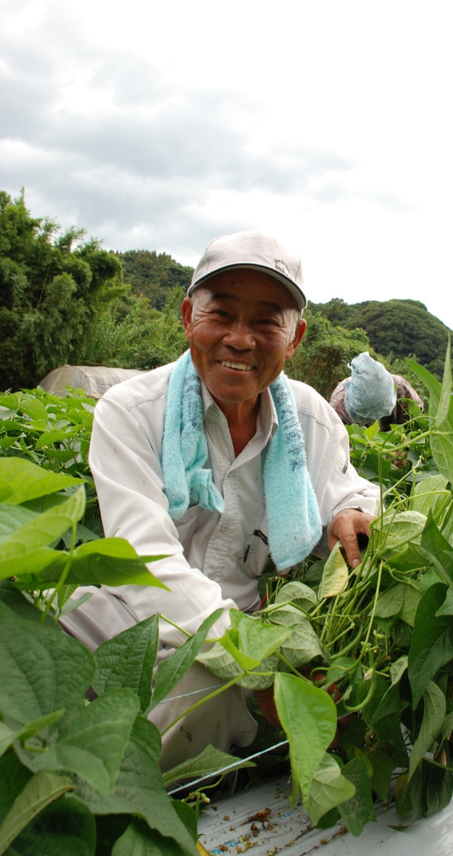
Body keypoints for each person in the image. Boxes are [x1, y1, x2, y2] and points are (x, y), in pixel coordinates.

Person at [61, 231, 382, 770]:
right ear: (188, 316)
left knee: (199, 694)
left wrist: (352, 512)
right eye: (221, 314)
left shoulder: (307, 418)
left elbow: (345, 489)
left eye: (265, 321)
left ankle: (120, 793)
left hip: (247, 624)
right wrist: (260, 668)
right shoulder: (133, 411)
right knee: (33, 633)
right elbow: (146, 563)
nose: (240, 339)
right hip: (132, 613)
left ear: (295, 336)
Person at [330, 352, 424, 430]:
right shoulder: (338, 408)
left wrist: (405, 446)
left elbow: (418, 420)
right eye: (366, 417)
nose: (375, 421)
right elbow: (339, 446)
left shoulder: (401, 388)